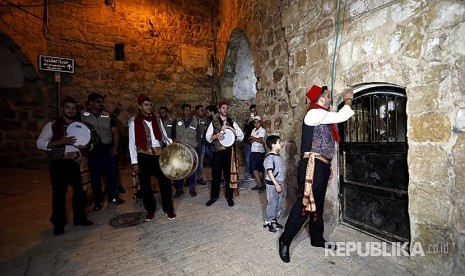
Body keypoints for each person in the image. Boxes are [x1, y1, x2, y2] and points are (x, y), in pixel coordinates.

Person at [278, 85, 354, 263]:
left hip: (321, 165)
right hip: (312, 164)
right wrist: (348, 99)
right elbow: (343, 115)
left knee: (317, 204)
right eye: (327, 96)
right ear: (320, 99)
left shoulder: (322, 115)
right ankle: (285, 240)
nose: (329, 99)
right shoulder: (313, 113)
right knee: (304, 204)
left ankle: (317, 238)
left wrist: (328, 165)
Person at [36, 96, 93, 235]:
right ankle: (58, 224)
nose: (71, 110)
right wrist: (61, 142)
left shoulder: (82, 125)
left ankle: (80, 218)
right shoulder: (52, 125)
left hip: (79, 161)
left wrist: (88, 145)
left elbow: (91, 145)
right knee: (59, 195)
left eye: (73, 108)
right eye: (68, 107)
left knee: (81, 192)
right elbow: (40, 143)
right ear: (62, 109)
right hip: (60, 162)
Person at [128, 94, 176, 221]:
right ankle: (150, 210)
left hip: (159, 154)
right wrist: (134, 162)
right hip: (144, 155)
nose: (148, 107)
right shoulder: (134, 122)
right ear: (140, 106)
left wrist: (174, 145)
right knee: (145, 185)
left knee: (165, 182)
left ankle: (169, 209)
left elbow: (164, 136)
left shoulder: (157, 120)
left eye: (150, 105)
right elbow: (131, 143)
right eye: (145, 105)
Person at [81, 93, 125, 211]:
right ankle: (98, 201)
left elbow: (114, 132)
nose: (101, 104)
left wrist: (115, 146)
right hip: (93, 150)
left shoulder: (107, 116)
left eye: (102, 101)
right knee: (95, 176)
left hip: (107, 149)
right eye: (98, 101)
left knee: (112, 174)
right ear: (90, 103)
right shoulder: (83, 116)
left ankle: (112, 196)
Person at [205, 101, 244, 207]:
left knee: (228, 176)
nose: (225, 110)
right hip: (217, 153)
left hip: (228, 153)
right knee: (216, 176)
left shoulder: (231, 121)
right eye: (223, 108)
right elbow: (208, 138)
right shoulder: (214, 122)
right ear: (219, 109)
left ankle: (229, 197)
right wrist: (216, 136)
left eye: (226, 108)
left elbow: (241, 136)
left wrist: (229, 128)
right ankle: (214, 196)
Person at [172, 103, 201, 197]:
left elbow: (198, 137)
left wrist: (198, 150)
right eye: (185, 110)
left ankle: (192, 189)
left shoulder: (195, 122)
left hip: (191, 150)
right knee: (179, 170)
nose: (187, 111)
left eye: (188, 110)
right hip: (179, 150)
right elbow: (172, 134)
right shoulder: (177, 121)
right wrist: (174, 140)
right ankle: (179, 190)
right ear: (182, 111)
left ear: (190, 110)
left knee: (192, 170)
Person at [263, 135, 285, 233]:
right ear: (273, 145)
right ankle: (268, 221)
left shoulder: (277, 156)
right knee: (272, 203)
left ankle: (274, 219)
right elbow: (270, 172)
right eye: (279, 142)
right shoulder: (270, 157)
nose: (281, 144)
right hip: (272, 184)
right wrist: (276, 184)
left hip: (279, 183)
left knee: (278, 203)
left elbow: (279, 171)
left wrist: (281, 183)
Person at [248, 115, 266, 192]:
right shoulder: (253, 130)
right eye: (254, 122)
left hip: (259, 151)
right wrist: (255, 138)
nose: (256, 124)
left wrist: (253, 138)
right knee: (257, 168)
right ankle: (259, 185)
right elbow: (249, 140)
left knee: (255, 168)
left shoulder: (262, 130)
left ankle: (260, 185)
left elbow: (261, 141)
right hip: (253, 150)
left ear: (260, 122)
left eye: (257, 122)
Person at [194, 104, 208, 186]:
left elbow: (205, 129)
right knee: (192, 162)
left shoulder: (204, 119)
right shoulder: (193, 119)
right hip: (194, 143)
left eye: (204, 110)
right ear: (196, 111)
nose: (203, 112)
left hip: (202, 143)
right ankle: (190, 180)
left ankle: (199, 178)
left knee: (200, 162)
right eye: (201, 110)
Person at [243, 104, 257, 181]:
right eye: (251, 111)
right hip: (248, 142)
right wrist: (248, 122)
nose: (253, 113)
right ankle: (247, 174)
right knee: (248, 158)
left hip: (255, 142)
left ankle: (253, 174)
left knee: (254, 158)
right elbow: (245, 130)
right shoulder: (248, 121)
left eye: (254, 111)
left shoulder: (258, 120)